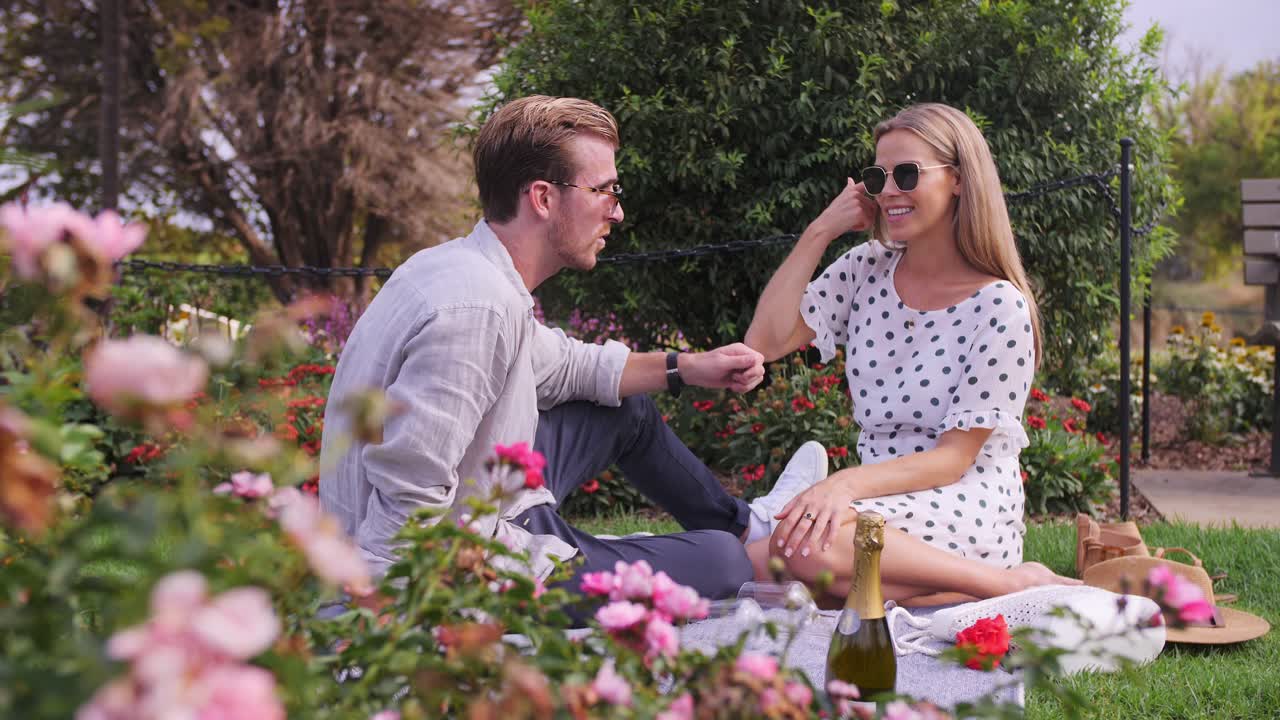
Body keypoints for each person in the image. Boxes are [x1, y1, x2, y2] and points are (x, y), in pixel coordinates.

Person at [319, 95, 824, 603]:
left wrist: (689, 366)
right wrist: (379, 625)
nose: (618, 211)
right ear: (542, 198)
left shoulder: (469, 270)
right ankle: (748, 548)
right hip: (463, 564)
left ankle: (749, 526)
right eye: (604, 190)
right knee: (723, 563)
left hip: (485, 503)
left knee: (624, 408)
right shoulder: (475, 309)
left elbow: (565, 366)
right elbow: (408, 497)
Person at [743, 103, 1079, 603]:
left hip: (962, 501)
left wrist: (843, 486)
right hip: (876, 500)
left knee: (792, 554)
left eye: (906, 174)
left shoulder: (1000, 306)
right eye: (878, 177)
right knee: (759, 561)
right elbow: (763, 344)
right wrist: (821, 231)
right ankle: (967, 590)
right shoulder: (865, 269)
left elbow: (952, 459)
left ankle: (1001, 581)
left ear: (960, 180)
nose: (888, 192)